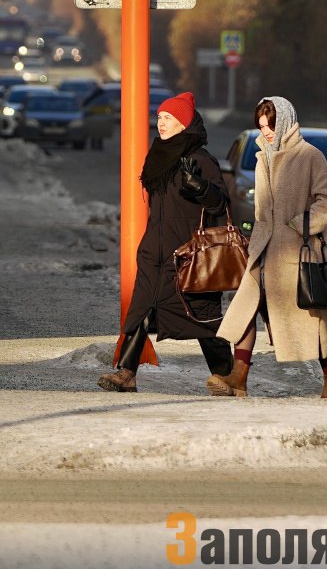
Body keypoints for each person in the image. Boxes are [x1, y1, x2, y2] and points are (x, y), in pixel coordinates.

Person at [97, 92, 233, 393]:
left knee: (201, 317)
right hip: (154, 252)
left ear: (184, 123)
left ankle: (227, 376)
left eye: (168, 118)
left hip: (188, 256)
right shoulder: (159, 155)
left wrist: (200, 186)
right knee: (141, 310)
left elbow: (220, 204)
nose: (161, 123)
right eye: (159, 117)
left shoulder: (201, 159)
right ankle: (127, 373)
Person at [211, 96, 327, 398]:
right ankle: (238, 376)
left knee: (313, 321)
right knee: (245, 307)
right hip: (264, 250)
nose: (267, 132)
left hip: (298, 253)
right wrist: (255, 237)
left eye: (270, 126)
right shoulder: (263, 157)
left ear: (285, 121)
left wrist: (302, 224)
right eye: (261, 126)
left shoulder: (310, 155)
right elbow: (263, 209)